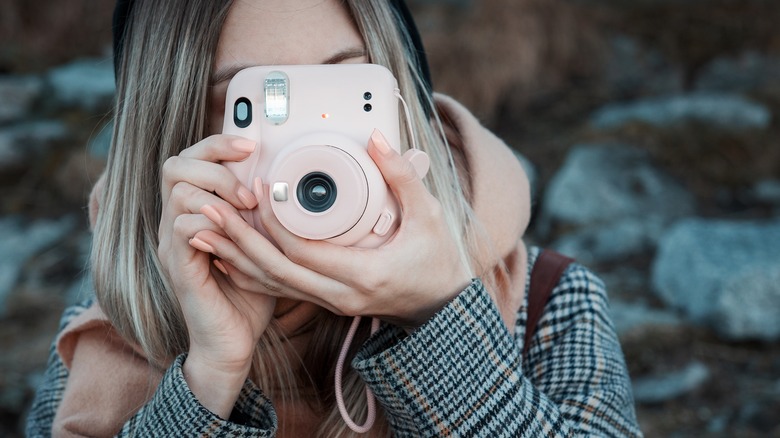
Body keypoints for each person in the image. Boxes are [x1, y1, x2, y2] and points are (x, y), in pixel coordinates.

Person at [26, 0, 642, 436]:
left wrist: (438, 315)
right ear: (169, 143)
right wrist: (208, 376)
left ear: (406, 106)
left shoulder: (548, 300)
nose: (315, 147)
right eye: (259, 105)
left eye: (348, 91)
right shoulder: (112, 325)